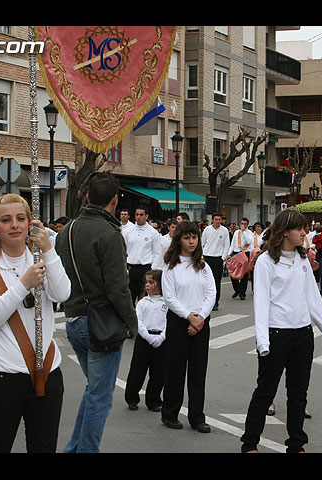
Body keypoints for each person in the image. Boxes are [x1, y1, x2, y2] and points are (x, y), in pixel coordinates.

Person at [0, 193, 70, 453]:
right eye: (6, 220)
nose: (14, 225)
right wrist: (23, 284)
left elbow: (62, 294)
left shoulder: (43, 262)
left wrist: (48, 250)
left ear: (29, 224)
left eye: (20, 218)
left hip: (47, 375)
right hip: (1, 380)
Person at [240, 209, 322, 453]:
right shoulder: (266, 261)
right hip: (276, 334)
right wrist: (263, 342)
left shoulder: (303, 259)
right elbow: (261, 302)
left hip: (303, 334)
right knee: (265, 391)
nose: (304, 233)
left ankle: (296, 444)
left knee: (298, 393)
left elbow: (312, 298)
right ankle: (250, 442)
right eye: (299, 229)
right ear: (284, 232)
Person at [55, 172, 137, 453]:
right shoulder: (109, 234)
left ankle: (74, 448)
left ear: (88, 197)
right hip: (100, 323)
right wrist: (132, 322)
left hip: (73, 318)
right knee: (100, 397)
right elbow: (118, 288)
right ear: (115, 200)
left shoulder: (67, 230)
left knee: (94, 392)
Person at [161, 221, 216, 433]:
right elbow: (170, 297)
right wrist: (190, 317)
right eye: (187, 237)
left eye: (194, 237)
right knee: (175, 370)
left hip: (201, 322)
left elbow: (211, 293)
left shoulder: (203, 266)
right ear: (179, 240)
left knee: (198, 371)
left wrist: (200, 317)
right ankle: (170, 413)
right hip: (179, 321)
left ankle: (197, 417)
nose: (191, 241)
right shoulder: (171, 267)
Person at [125, 270, 167, 412]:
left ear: (160, 284)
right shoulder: (143, 302)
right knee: (138, 370)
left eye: (151, 282)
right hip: (144, 340)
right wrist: (148, 337)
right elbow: (139, 322)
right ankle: (132, 398)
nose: (148, 285)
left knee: (159, 372)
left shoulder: (166, 302)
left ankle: (153, 400)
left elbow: (169, 322)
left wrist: (161, 337)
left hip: (161, 340)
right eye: (146, 282)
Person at [125, 206, 163, 303]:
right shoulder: (128, 231)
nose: (138, 217)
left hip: (145, 268)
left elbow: (157, 253)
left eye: (141, 214)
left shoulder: (153, 233)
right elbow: (124, 250)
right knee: (129, 298)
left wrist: (152, 270)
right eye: (137, 214)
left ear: (146, 216)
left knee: (144, 298)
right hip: (131, 269)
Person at [201, 213, 230, 311]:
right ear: (212, 220)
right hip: (207, 257)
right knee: (205, 281)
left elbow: (227, 245)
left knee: (216, 281)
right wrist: (202, 256)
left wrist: (223, 258)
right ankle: (205, 301)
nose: (218, 221)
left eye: (219, 220)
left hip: (218, 258)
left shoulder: (224, 230)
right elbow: (202, 243)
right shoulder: (207, 230)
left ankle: (215, 302)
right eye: (216, 219)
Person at [228, 218, 254, 300]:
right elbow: (233, 243)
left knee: (244, 274)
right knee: (233, 273)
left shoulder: (249, 233)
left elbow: (249, 241)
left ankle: (242, 293)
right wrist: (229, 253)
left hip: (245, 253)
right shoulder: (236, 232)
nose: (243, 225)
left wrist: (243, 232)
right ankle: (237, 289)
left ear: (247, 224)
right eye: (242, 223)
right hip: (236, 253)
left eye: (245, 224)